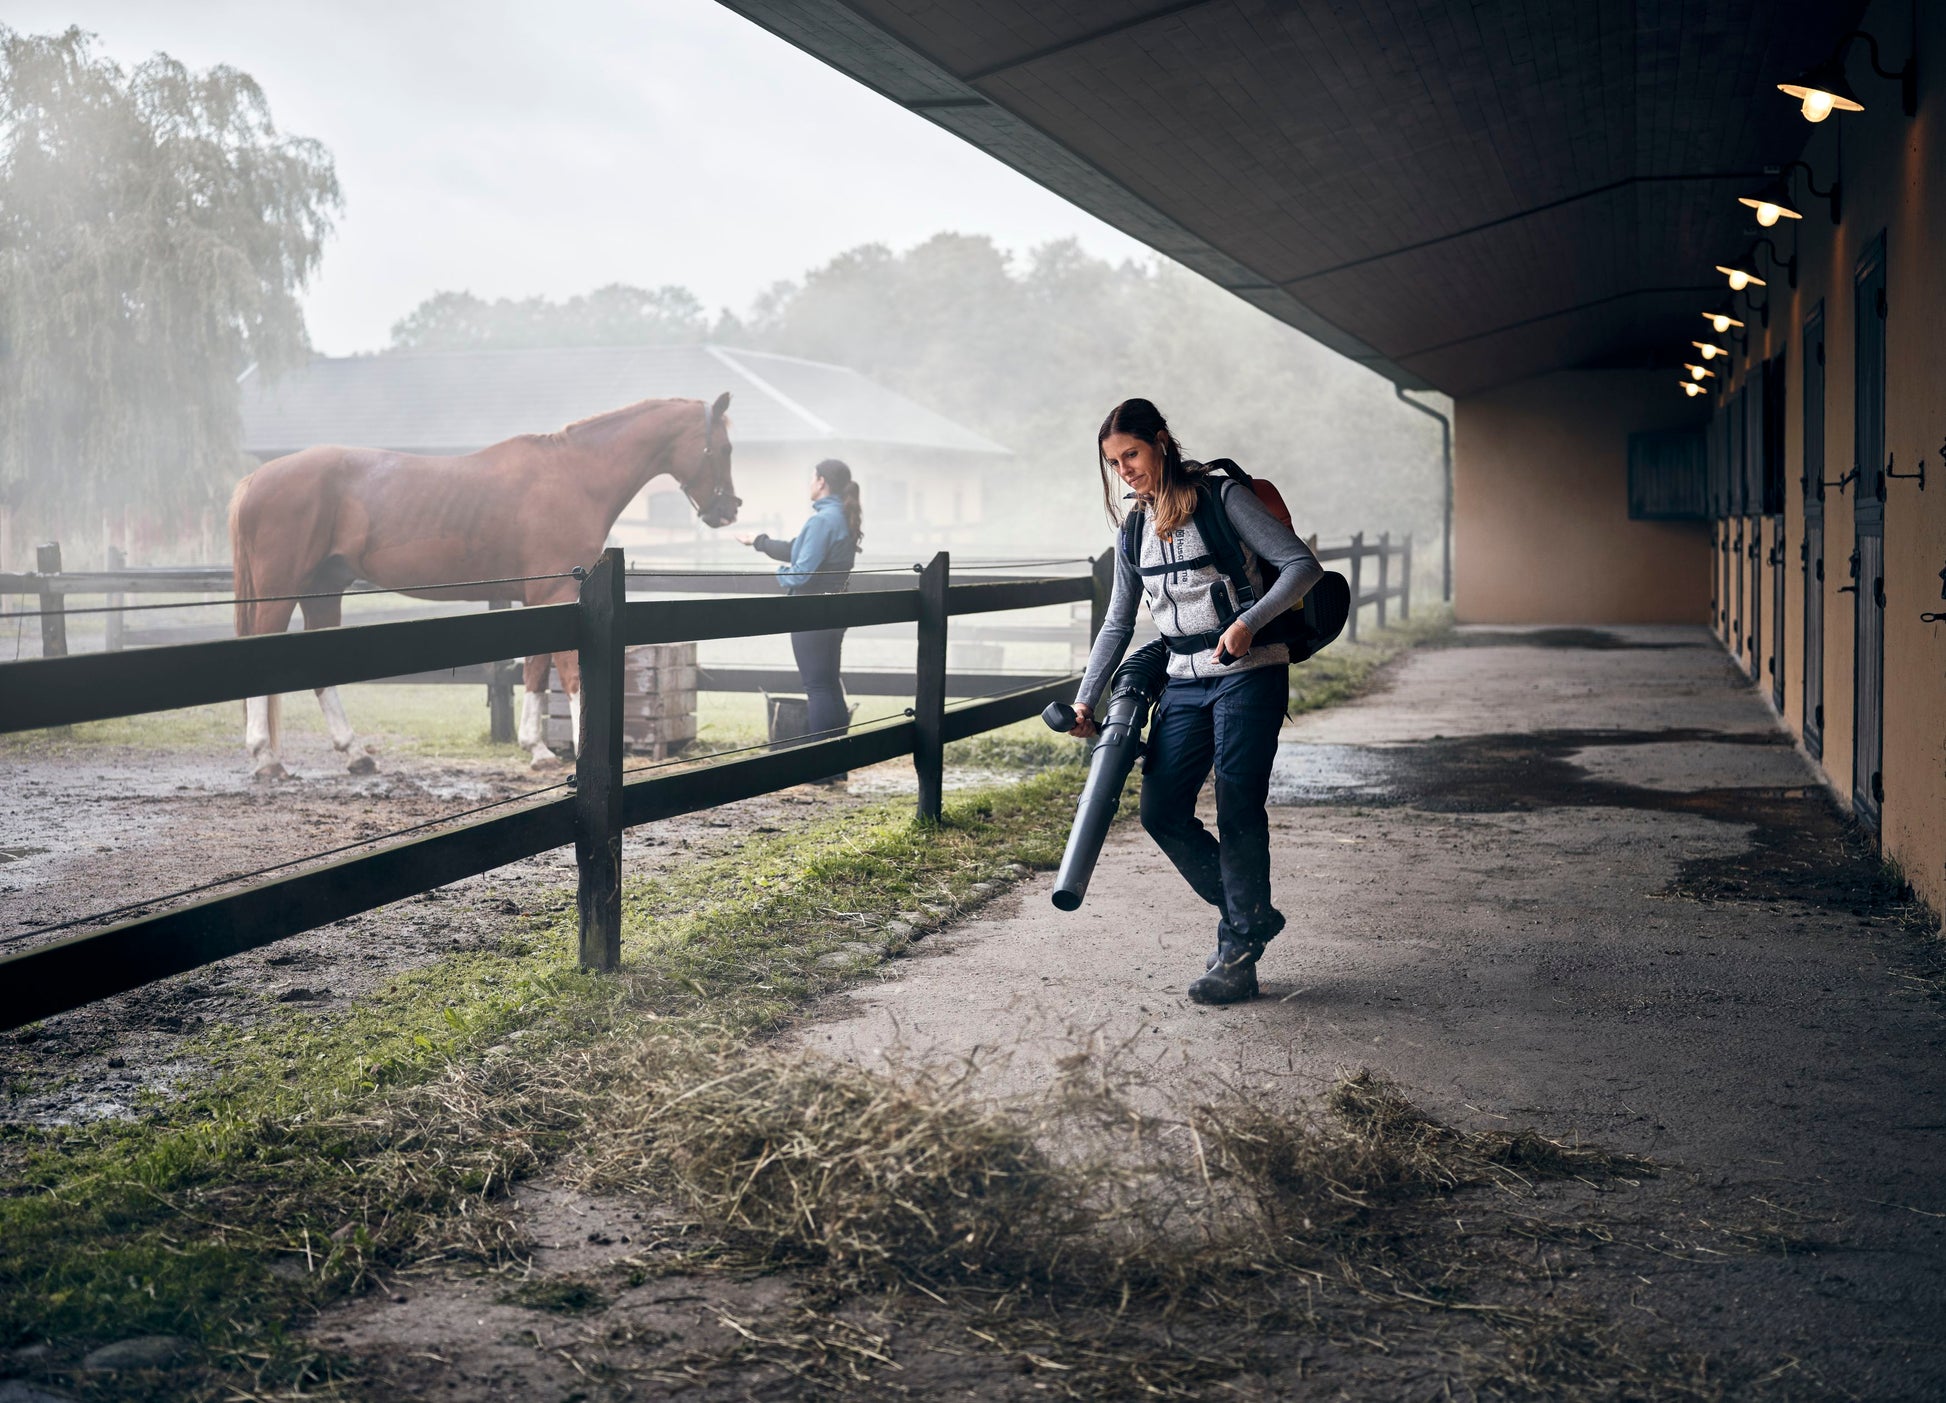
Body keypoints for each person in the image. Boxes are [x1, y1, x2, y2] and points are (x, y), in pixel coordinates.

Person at [1071, 399, 1323, 1005]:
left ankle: (1237, 954)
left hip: (1249, 671)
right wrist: (1086, 700)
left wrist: (1248, 624)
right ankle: (1251, 914)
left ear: (1160, 441)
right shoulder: (1132, 526)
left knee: (1238, 806)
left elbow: (1300, 567)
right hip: (1182, 678)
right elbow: (1117, 621)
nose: (1124, 470)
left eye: (1131, 454)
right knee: (1160, 810)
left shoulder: (1222, 498)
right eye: (1114, 462)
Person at [737, 458, 862, 747]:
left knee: (817, 688)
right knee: (829, 686)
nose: (809, 483)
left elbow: (801, 574)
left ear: (821, 482)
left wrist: (780, 575)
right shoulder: (841, 517)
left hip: (811, 612)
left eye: (812, 477)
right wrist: (759, 541)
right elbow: (799, 549)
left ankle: (818, 764)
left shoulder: (821, 521)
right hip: (833, 611)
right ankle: (836, 764)